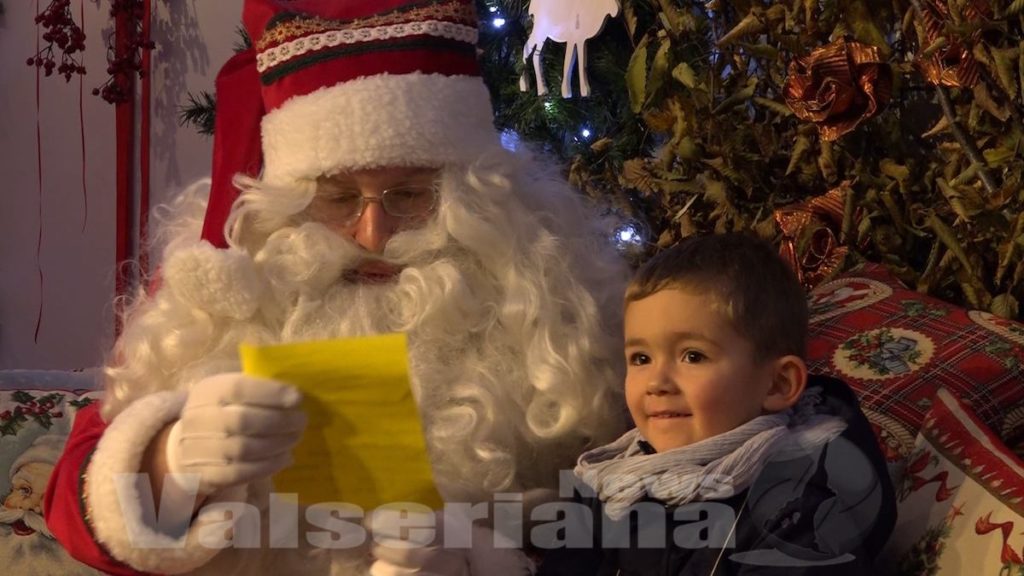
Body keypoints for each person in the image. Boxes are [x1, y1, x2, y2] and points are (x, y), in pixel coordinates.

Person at [43, 1, 629, 574]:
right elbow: (71, 511)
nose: (372, 235)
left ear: (474, 198)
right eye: (338, 197)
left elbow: (643, 532)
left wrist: (489, 563)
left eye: (409, 196)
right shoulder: (207, 307)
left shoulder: (564, 328)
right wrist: (167, 463)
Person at [532, 234, 896, 575]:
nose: (656, 382)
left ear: (778, 384)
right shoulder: (612, 478)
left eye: (692, 356)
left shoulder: (800, 511)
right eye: (641, 358)